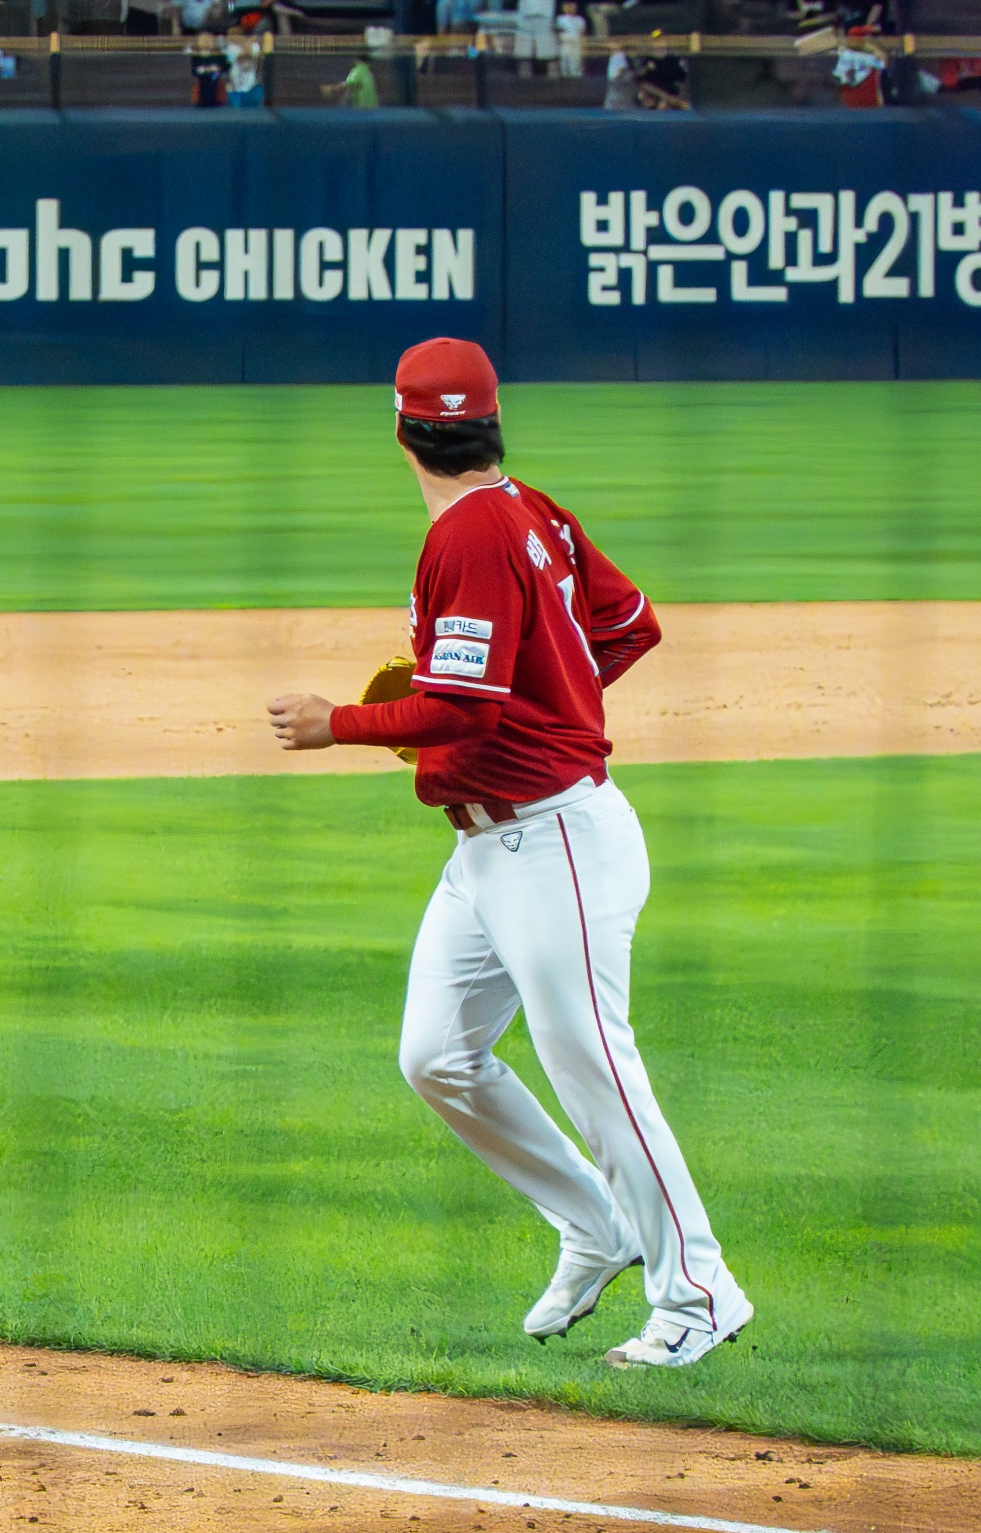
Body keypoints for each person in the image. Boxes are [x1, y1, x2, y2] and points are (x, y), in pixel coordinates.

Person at [265, 338, 753, 1371]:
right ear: (491, 422)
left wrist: (335, 723)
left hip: (555, 843)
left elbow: (460, 706)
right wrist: (550, 698)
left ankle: (700, 1292)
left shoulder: (471, 535)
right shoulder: (534, 510)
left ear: (401, 431)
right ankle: (596, 1226)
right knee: (437, 1057)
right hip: (492, 851)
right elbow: (629, 626)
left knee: (596, 1069)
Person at [221, 22, 260, 105]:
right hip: (235, 82)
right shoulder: (231, 48)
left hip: (251, 82)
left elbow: (255, 55)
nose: (230, 38)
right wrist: (246, 46)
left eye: (233, 36)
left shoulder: (254, 45)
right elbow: (238, 57)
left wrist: (247, 45)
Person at [187, 26, 222, 103]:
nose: (206, 41)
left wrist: (214, 71)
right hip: (200, 80)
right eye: (203, 39)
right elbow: (194, 70)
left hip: (214, 81)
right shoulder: (195, 55)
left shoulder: (217, 55)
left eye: (208, 39)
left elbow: (222, 68)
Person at [554, 0, 583, 76]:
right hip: (564, 45)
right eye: (567, 5)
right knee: (564, 66)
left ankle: (576, 81)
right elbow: (558, 31)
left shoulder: (579, 19)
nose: (569, 7)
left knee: (575, 66)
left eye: (571, 5)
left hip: (575, 45)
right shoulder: (560, 19)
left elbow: (581, 31)